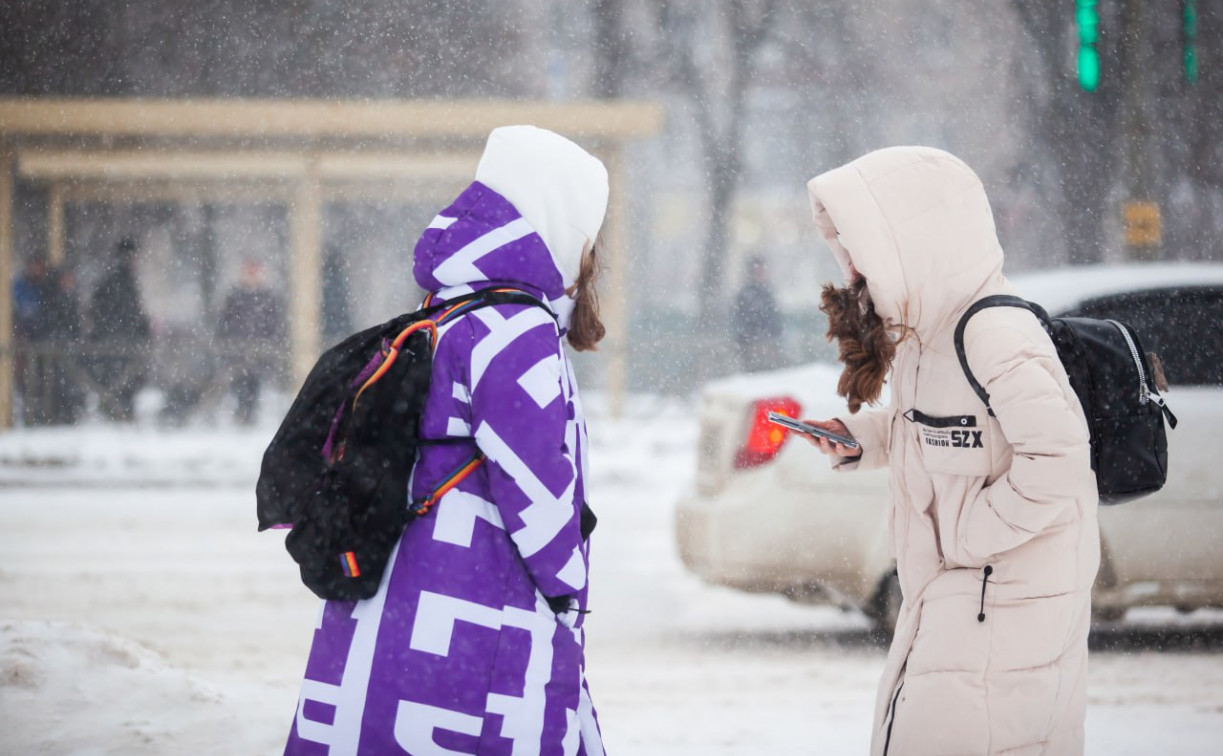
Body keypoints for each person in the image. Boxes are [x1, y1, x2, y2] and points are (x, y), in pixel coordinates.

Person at [283, 125, 610, 755]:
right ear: (560, 220)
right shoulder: (515, 330)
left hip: (394, 608)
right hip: (476, 627)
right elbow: (539, 495)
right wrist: (567, 596)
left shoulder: (445, 310)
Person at [800, 147, 1099, 755]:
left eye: (863, 244)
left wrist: (971, 536)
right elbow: (945, 429)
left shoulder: (994, 333)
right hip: (964, 596)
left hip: (1003, 598)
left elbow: (1060, 457)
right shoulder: (925, 332)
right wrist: (866, 439)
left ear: (914, 238)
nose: (852, 263)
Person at [87, 236, 151, 422]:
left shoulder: (121, 279)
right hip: (118, 340)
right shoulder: (119, 280)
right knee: (120, 378)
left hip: (120, 338)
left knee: (123, 378)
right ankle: (119, 410)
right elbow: (123, 311)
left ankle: (120, 409)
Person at [217, 260, 286, 426]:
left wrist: (270, 341)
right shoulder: (234, 296)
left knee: (254, 381)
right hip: (238, 349)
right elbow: (225, 322)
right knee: (240, 381)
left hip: (261, 349)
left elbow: (274, 322)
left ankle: (249, 413)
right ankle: (242, 412)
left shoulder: (268, 297)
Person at [731, 254, 782, 372]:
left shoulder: (767, 293)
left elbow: (774, 320)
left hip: (768, 345)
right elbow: (740, 321)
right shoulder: (745, 295)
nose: (760, 274)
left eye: (762, 270)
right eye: (757, 271)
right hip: (750, 346)